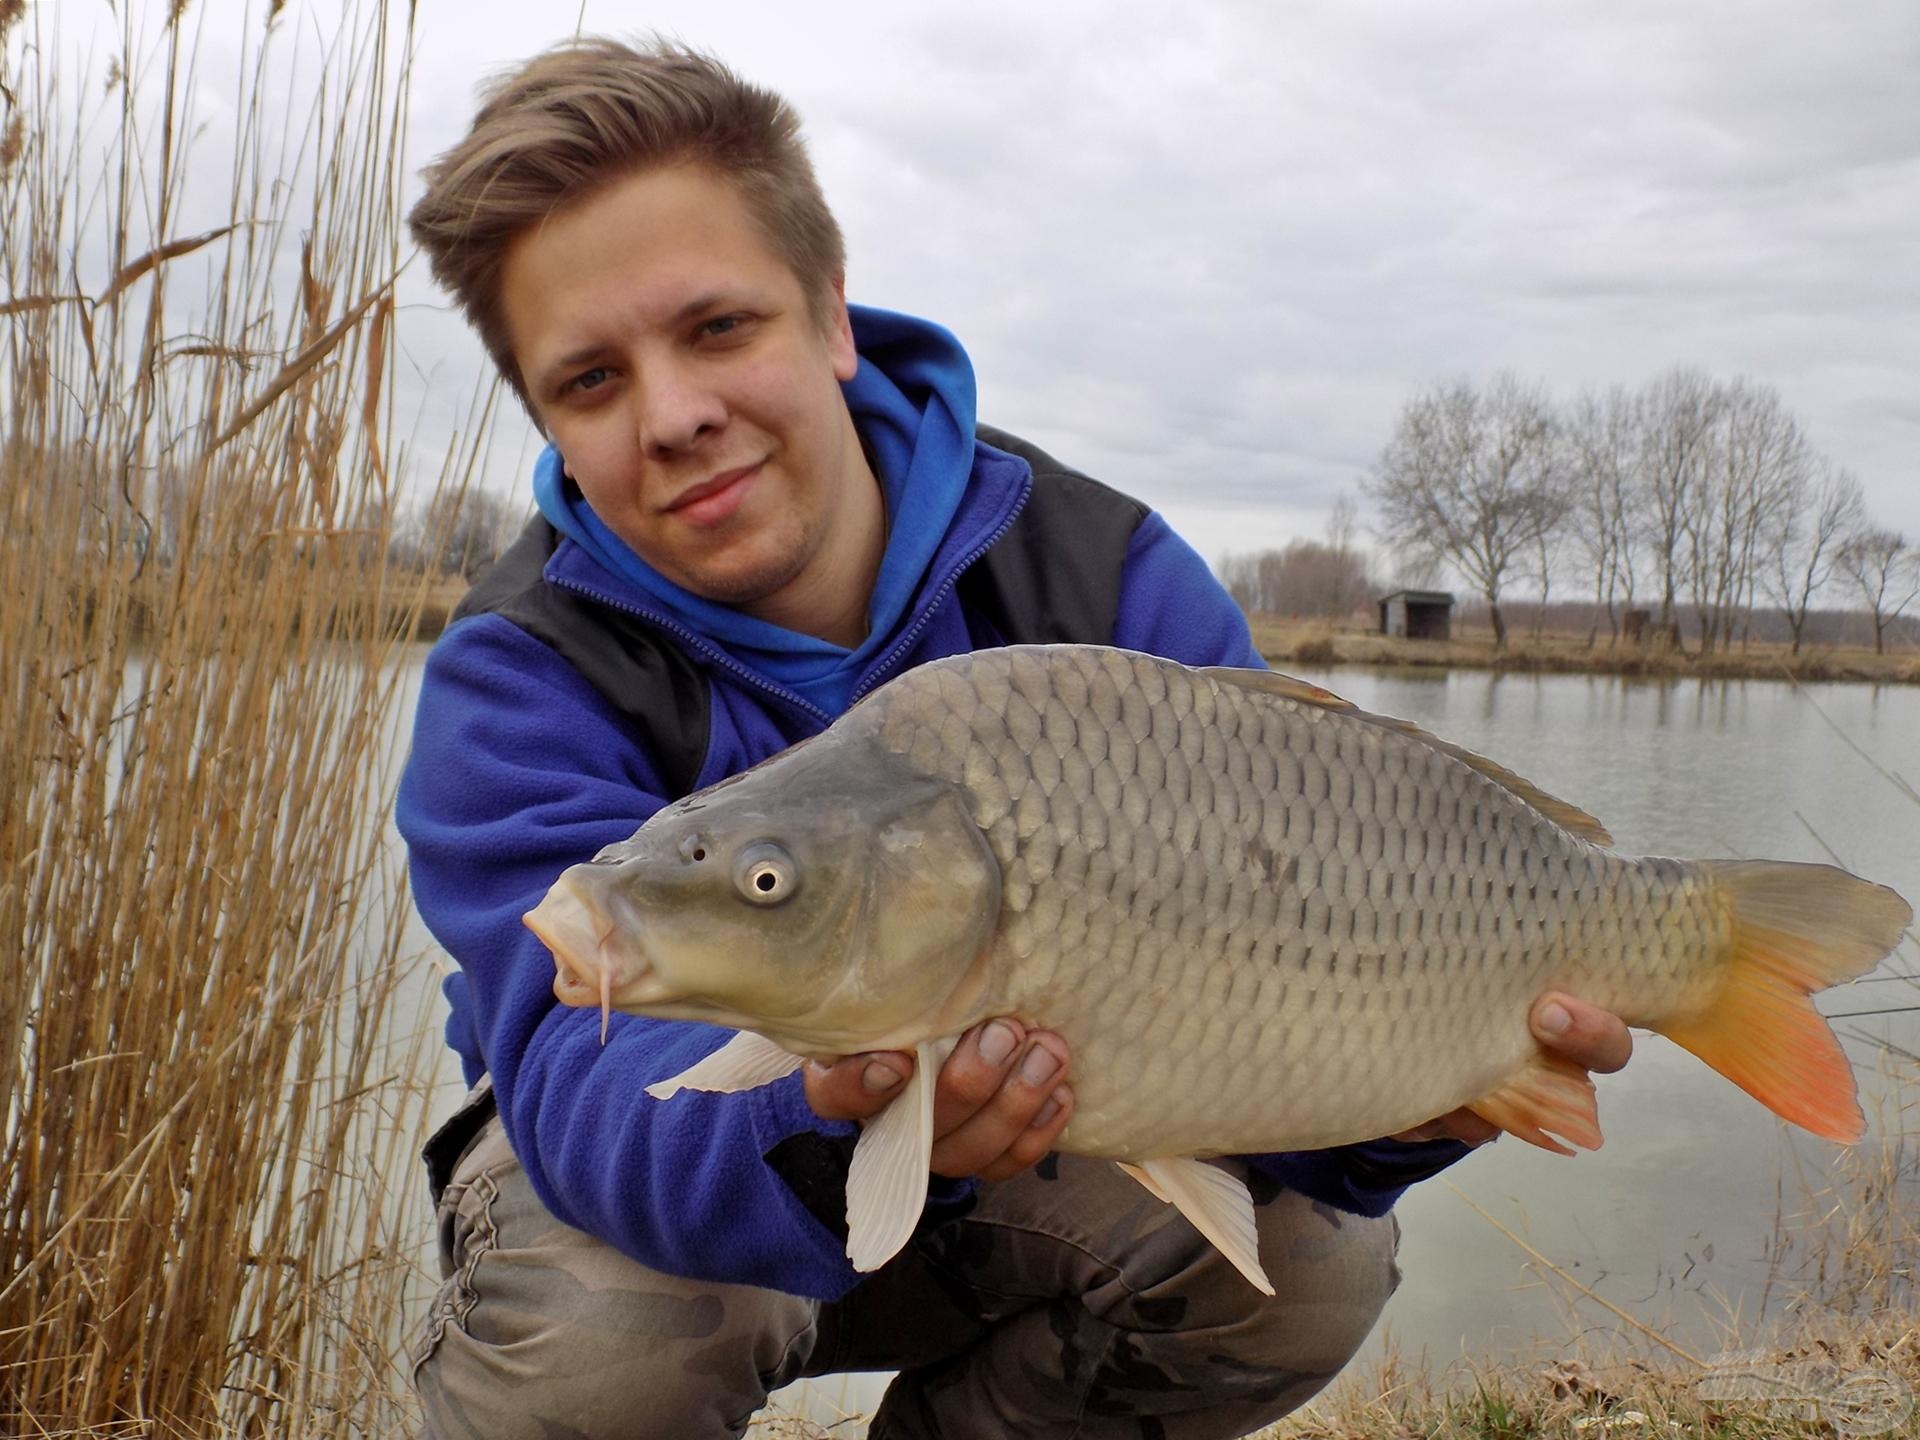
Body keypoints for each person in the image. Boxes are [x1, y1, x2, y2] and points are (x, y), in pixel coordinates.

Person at [396, 36, 1634, 1440]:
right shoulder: (516, 677)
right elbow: (569, 1078)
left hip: (1046, 1160)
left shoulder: (1105, 578)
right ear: (542, 417)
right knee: (595, 1349)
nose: (675, 415)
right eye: (591, 382)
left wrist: (1415, 1094)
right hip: (677, 1197)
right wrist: (822, 1108)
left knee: (1306, 1262)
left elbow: (1255, 1029)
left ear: (833, 318)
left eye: (720, 328)